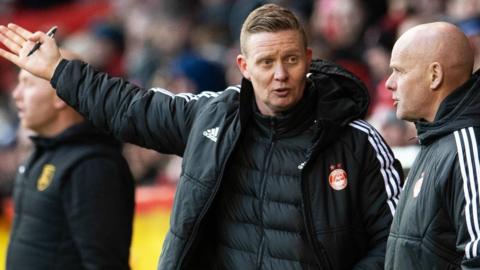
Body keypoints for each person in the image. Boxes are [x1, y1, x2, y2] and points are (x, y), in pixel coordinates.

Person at [0, 4, 402, 270]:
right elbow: (129, 107)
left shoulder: (358, 143)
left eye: (291, 60)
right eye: (266, 62)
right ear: (244, 66)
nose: (280, 74)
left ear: (308, 61)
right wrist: (60, 72)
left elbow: (396, 242)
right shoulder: (211, 117)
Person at [5, 51, 135, 270]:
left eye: (27, 84)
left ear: (60, 95)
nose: (16, 94)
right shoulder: (42, 153)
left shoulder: (92, 165)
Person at [384, 22, 480, 269]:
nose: (389, 83)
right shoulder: (437, 139)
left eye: (399, 71)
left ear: (434, 75)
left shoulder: (468, 147)